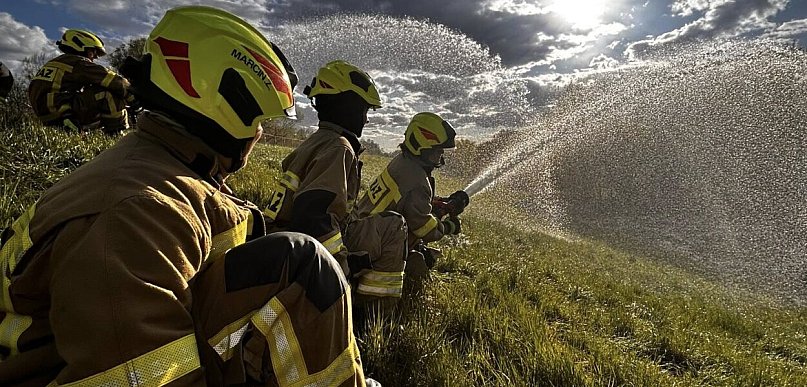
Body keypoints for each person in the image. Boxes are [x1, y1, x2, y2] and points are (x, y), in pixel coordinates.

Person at [1, 6, 369, 386]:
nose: (259, 135)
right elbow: (138, 377)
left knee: (287, 260)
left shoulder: (163, 166)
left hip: (97, 352)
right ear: (229, 106)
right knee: (303, 266)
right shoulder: (136, 213)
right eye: (258, 121)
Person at [263, 60, 408, 303]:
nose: (366, 120)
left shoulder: (318, 140)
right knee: (393, 225)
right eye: (364, 111)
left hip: (284, 242)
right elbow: (314, 215)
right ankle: (369, 312)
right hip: (301, 250)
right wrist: (342, 266)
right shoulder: (339, 148)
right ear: (347, 108)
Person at [351, 112, 468, 286]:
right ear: (422, 147)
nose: (441, 153)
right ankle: (376, 301)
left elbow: (404, 200)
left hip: (359, 230)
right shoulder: (418, 180)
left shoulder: (402, 162)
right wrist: (449, 226)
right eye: (438, 149)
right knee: (420, 262)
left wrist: (435, 203)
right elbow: (424, 229)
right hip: (368, 245)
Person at [28, 28, 132, 134]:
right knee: (107, 92)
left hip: (49, 114)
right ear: (80, 47)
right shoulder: (78, 63)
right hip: (60, 114)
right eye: (93, 52)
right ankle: (116, 133)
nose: (95, 57)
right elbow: (114, 81)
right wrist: (133, 96)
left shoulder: (56, 63)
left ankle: (72, 126)